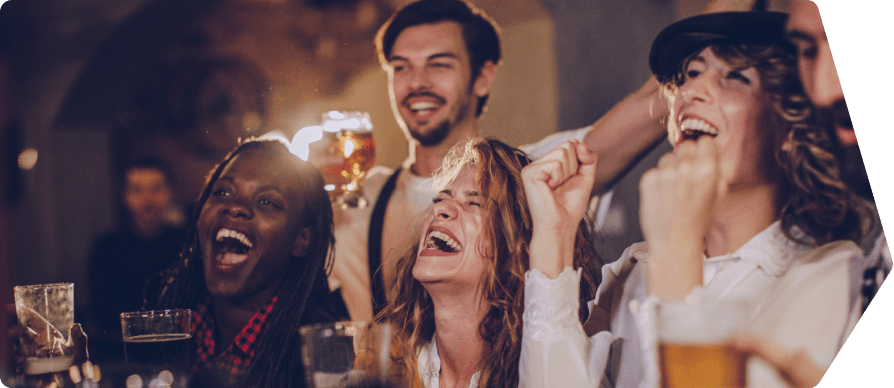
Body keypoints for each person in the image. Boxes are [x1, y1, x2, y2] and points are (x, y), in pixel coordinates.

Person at [520, 11, 869, 388]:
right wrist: (553, 238)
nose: (690, 91)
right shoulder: (631, 269)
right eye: (690, 74)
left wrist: (677, 251)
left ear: (790, 127)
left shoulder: (833, 275)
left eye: (735, 77)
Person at [332, 0, 732, 322]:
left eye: (439, 64)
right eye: (401, 67)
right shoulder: (354, 197)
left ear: (483, 77)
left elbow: (655, 98)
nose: (417, 82)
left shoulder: (532, 173)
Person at [380, 138, 601, 387]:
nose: (441, 209)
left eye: (474, 203)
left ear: (517, 249)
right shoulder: (388, 371)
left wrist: (551, 230)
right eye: (439, 199)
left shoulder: (567, 368)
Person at [151, 138, 349, 387]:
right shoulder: (171, 324)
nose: (234, 206)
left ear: (301, 240)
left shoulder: (325, 348)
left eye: (267, 201)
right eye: (222, 192)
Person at [87, 158, 186, 361]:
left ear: (170, 193)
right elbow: (104, 317)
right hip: (121, 361)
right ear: (125, 196)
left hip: (176, 358)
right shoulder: (106, 250)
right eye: (137, 190)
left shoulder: (186, 246)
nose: (147, 199)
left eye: (156, 189)